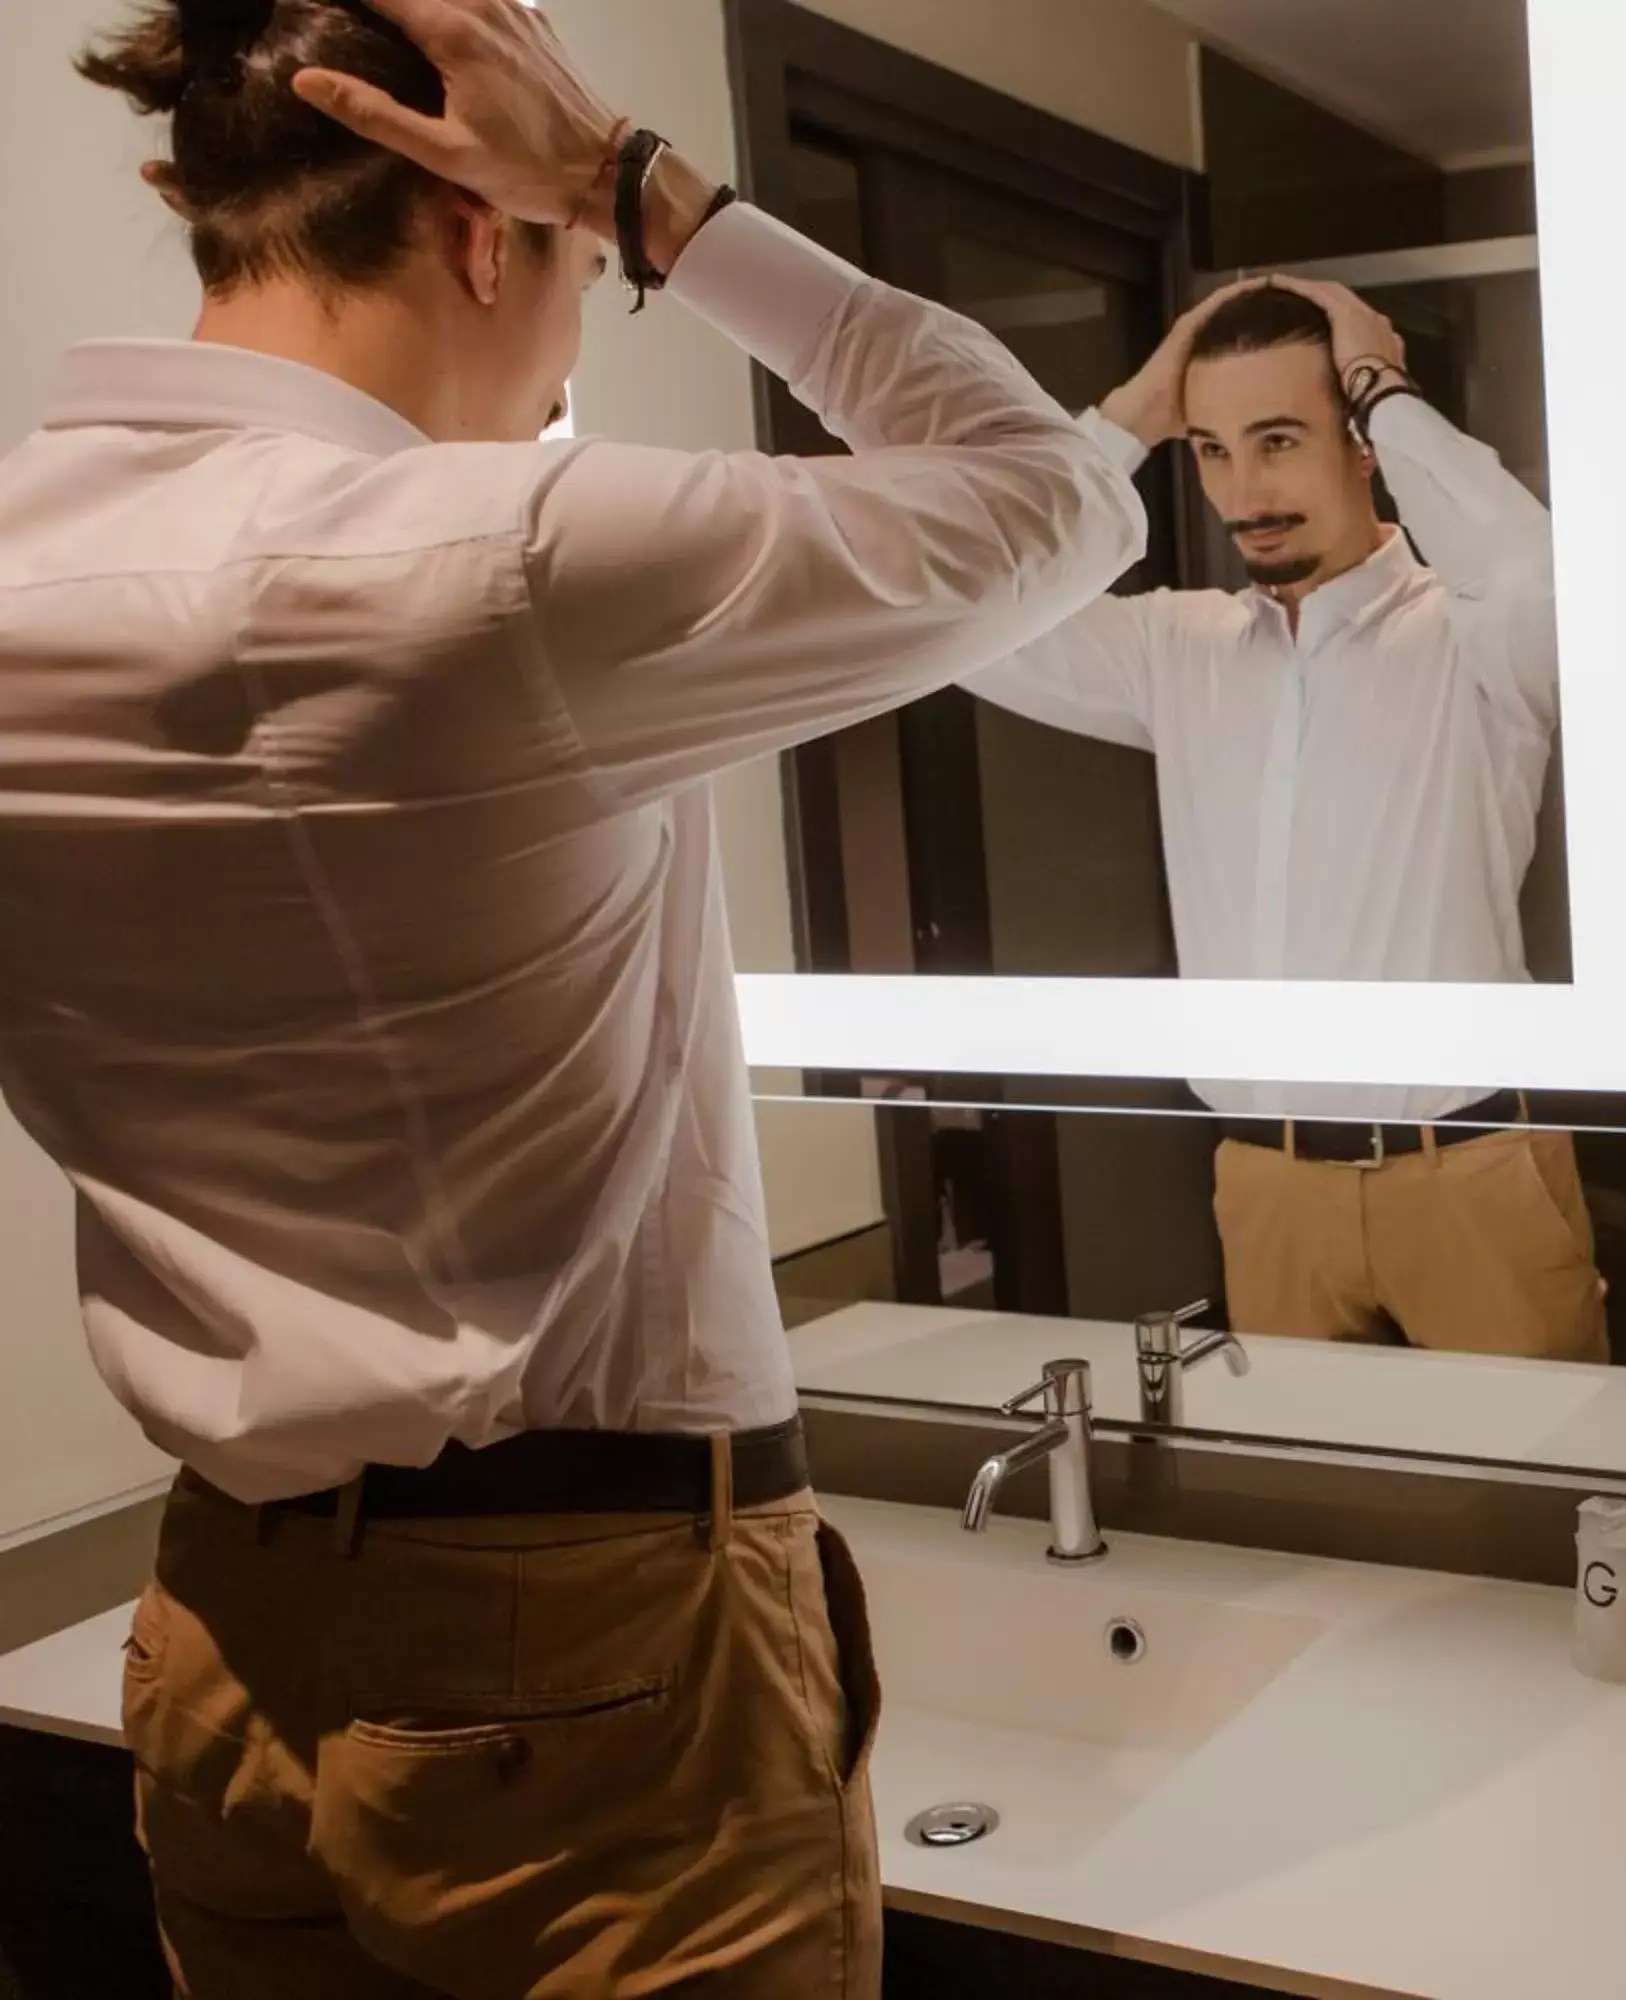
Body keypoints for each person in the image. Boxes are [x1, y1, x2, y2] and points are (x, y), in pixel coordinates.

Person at [0, 0, 1144, 1991]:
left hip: (209, 1640)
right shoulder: (495, 557)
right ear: (480, 233)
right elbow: (1063, 494)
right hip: (590, 1641)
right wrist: (640, 182)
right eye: (584, 285)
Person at [961, 277, 1611, 1366]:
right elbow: (962, 610)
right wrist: (1127, 417)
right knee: (1308, 1522)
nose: (1243, 490)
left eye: (1277, 439)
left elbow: (1542, 577)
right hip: (1266, 1186)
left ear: (1363, 444)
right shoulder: (1175, 648)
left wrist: (1382, 388)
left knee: (1536, 1518)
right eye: (1212, 450)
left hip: (1474, 1173)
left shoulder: (1473, 637)